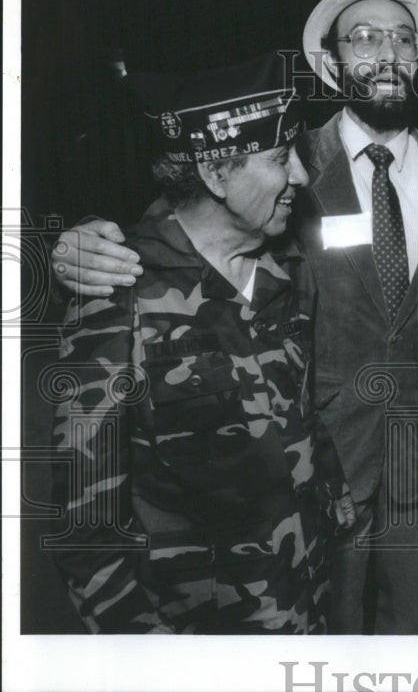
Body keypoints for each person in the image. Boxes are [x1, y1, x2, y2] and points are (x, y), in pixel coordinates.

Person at [51, 0, 418, 635]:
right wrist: (83, 243)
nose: (386, 53)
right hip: (312, 469)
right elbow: (193, 220)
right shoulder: (288, 159)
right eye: (365, 36)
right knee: (323, 633)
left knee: (416, 639)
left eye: (403, 38)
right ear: (332, 60)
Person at [48, 52, 351, 634]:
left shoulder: (287, 275)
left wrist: (331, 493)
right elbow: (88, 537)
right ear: (216, 174)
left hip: (305, 606)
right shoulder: (116, 304)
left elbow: (301, 412)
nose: (302, 178)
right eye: (281, 159)